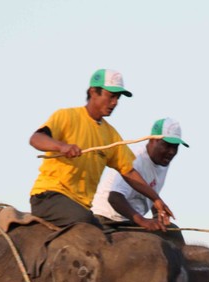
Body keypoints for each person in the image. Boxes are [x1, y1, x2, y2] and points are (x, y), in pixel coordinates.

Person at [28, 69, 172, 229]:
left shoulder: (111, 135)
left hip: (81, 206)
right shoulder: (66, 116)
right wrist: (62, 146)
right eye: (111, 96)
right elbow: (36, 139)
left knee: (104, 237)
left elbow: (129, 171)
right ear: (93, 92)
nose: (115, 102)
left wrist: (156, 199)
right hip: (50, 196)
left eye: (118, 97)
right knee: (88, 228)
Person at [91, 117, 187, 239]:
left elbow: (149, 191)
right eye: (167, 145)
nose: (171, 152)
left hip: (129, 221)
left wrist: (158, 215)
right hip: (109, 219)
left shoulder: (162, 162)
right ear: (152, 140)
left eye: (175, 147)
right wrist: (142, 221)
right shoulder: (136, 159)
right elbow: (114, 197)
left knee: (172, 232)